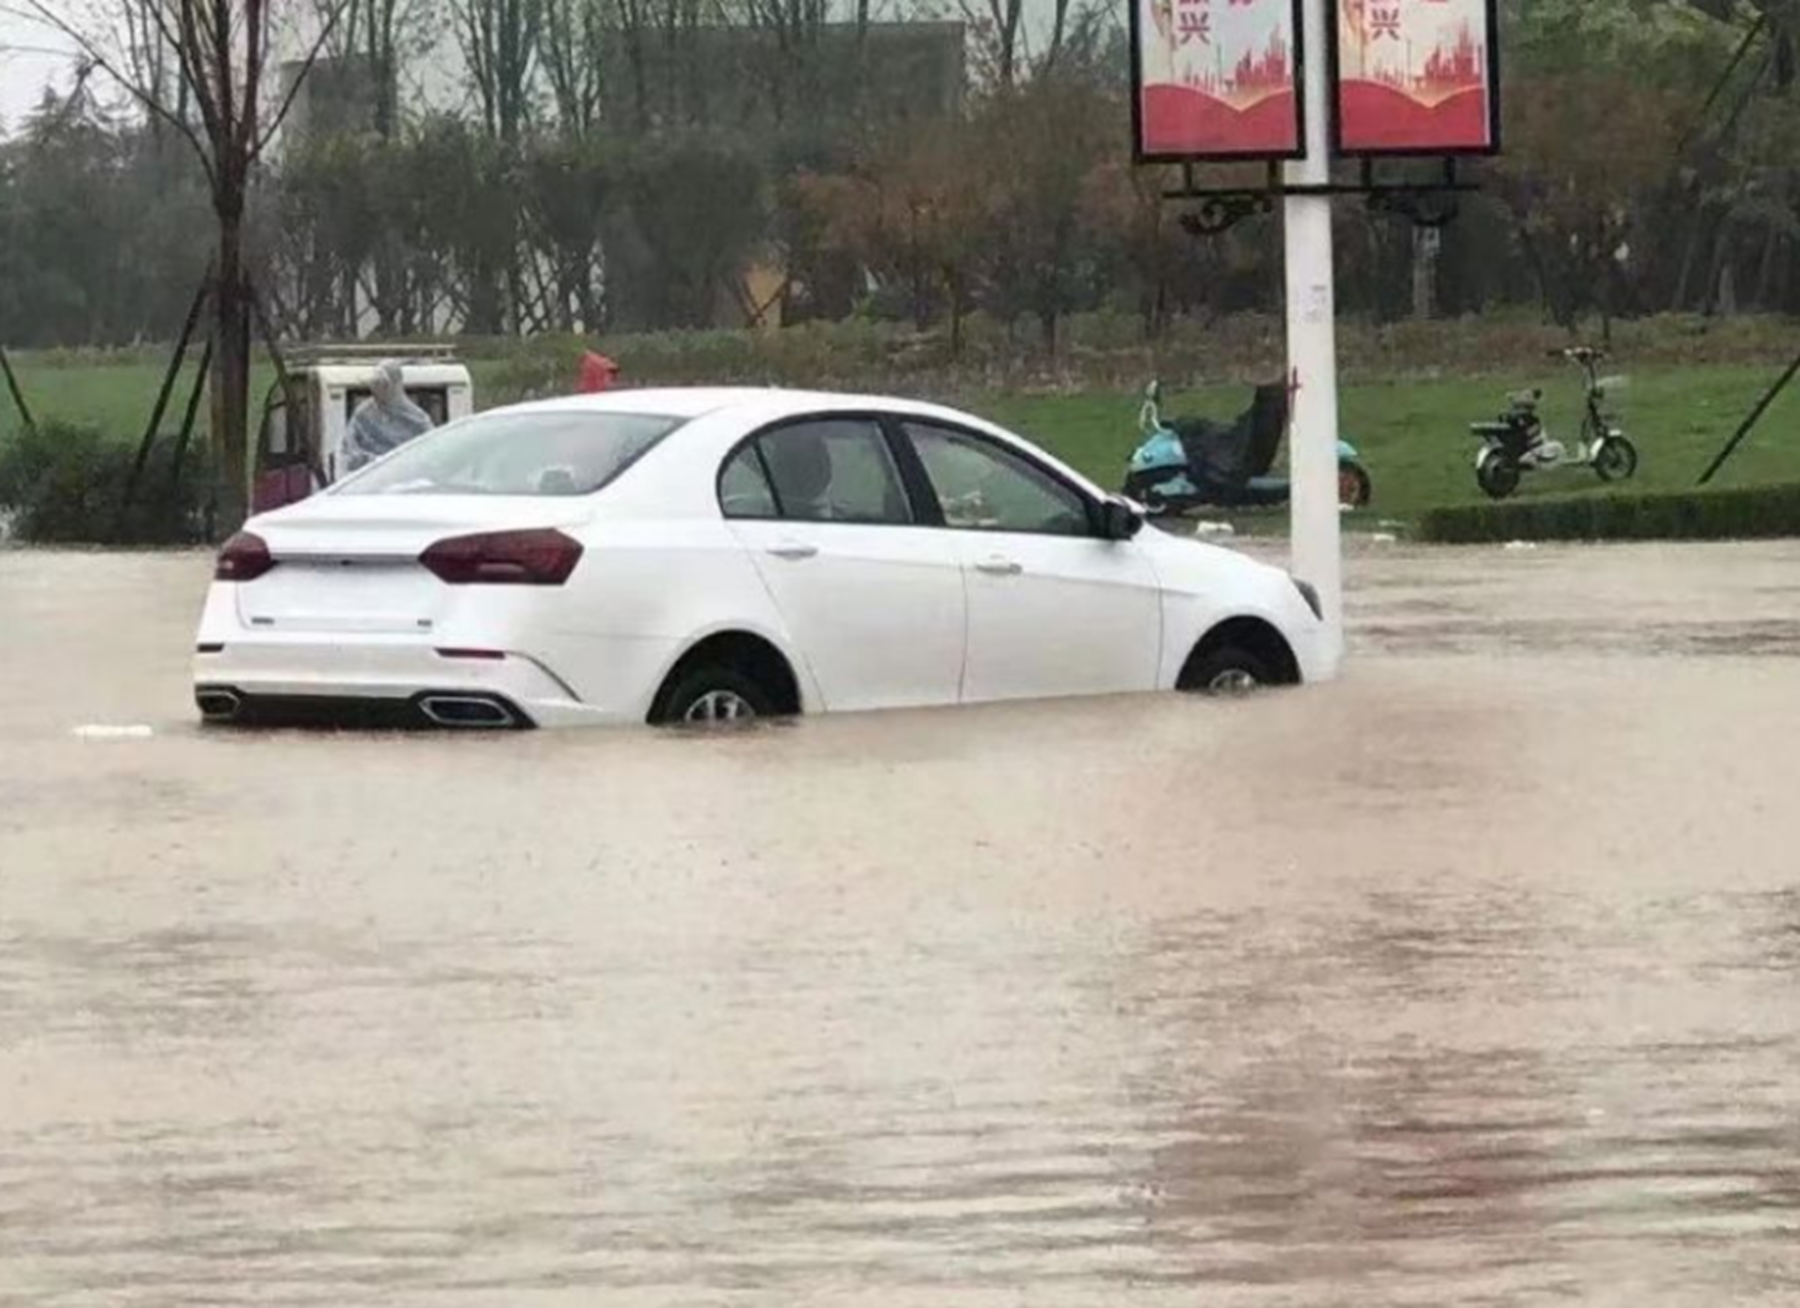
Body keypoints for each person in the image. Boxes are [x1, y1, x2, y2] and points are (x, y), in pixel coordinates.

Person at [343, 359, 434, 473]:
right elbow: (350, 452)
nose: (378, 390)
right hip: (369, 480)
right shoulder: (363, 415)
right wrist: (372, 461)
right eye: (375, 384)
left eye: (383, 385)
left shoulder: (418, 419)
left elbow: (430, 455)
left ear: (395, 385)